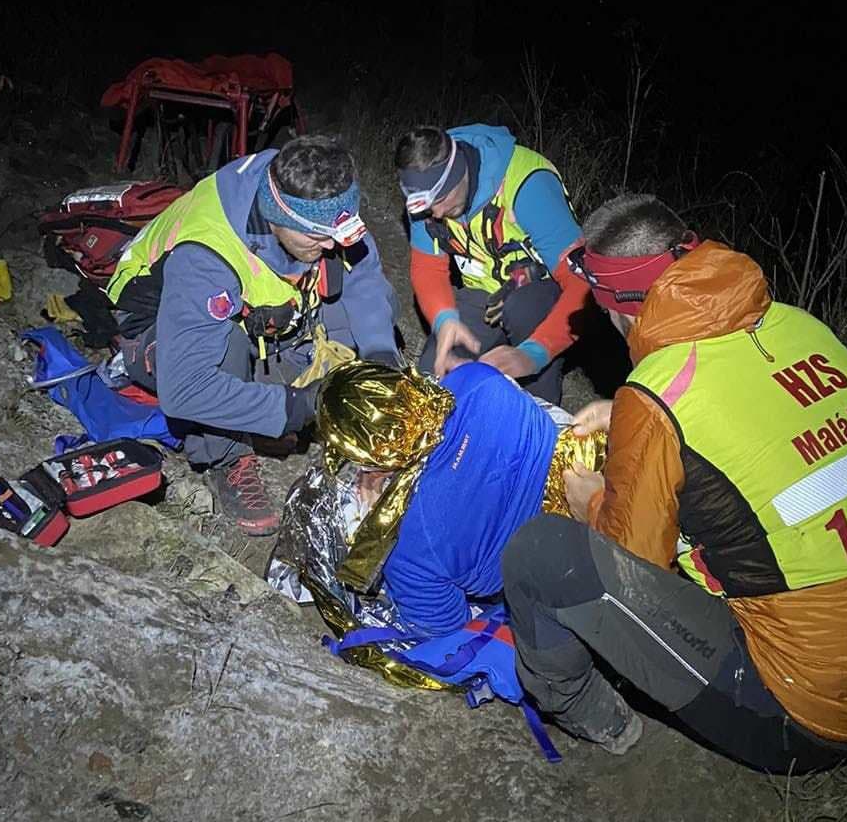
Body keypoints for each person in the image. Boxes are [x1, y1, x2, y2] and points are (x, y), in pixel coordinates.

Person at [501, 192, 847, 768]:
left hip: (801, 713)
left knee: (539, 553)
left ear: (621, 309)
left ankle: (590, 714)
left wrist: (591, 501)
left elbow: (628, 558)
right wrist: (627, 412)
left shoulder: (658, 393)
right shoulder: (801, 328)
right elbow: (762, 421)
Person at [106, 135, 400, 534]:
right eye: (317, 237)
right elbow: (186, 390)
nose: (333, 244)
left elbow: (364, 273)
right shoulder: (207, 255)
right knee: (226, 346)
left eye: (339, 232)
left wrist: (381, 355)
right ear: (277, 218)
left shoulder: (310, 186)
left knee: (374, 306)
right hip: (160, 325)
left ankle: (271, 403)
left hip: (263, 310)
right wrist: (299, 406)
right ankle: (227, 456)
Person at [279, 358, 602, 638]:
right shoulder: (476, 379)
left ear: (364, 461)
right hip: (604, 485)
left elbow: (449, 634)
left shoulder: (410, 548)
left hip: (567, 577)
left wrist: (372, 519)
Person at [393, 123, 590, 405]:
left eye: (441, 199)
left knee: (524, 309)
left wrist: (532, 355)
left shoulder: (528, 185)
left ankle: (539, 418)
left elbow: (581, 285)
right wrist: (444, 319)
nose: (434, 214)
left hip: (541, 294)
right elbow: (428, 268)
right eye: (424, 206)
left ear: (460, 172)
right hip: (484, 294)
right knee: (431, 382)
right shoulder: (428, 200)